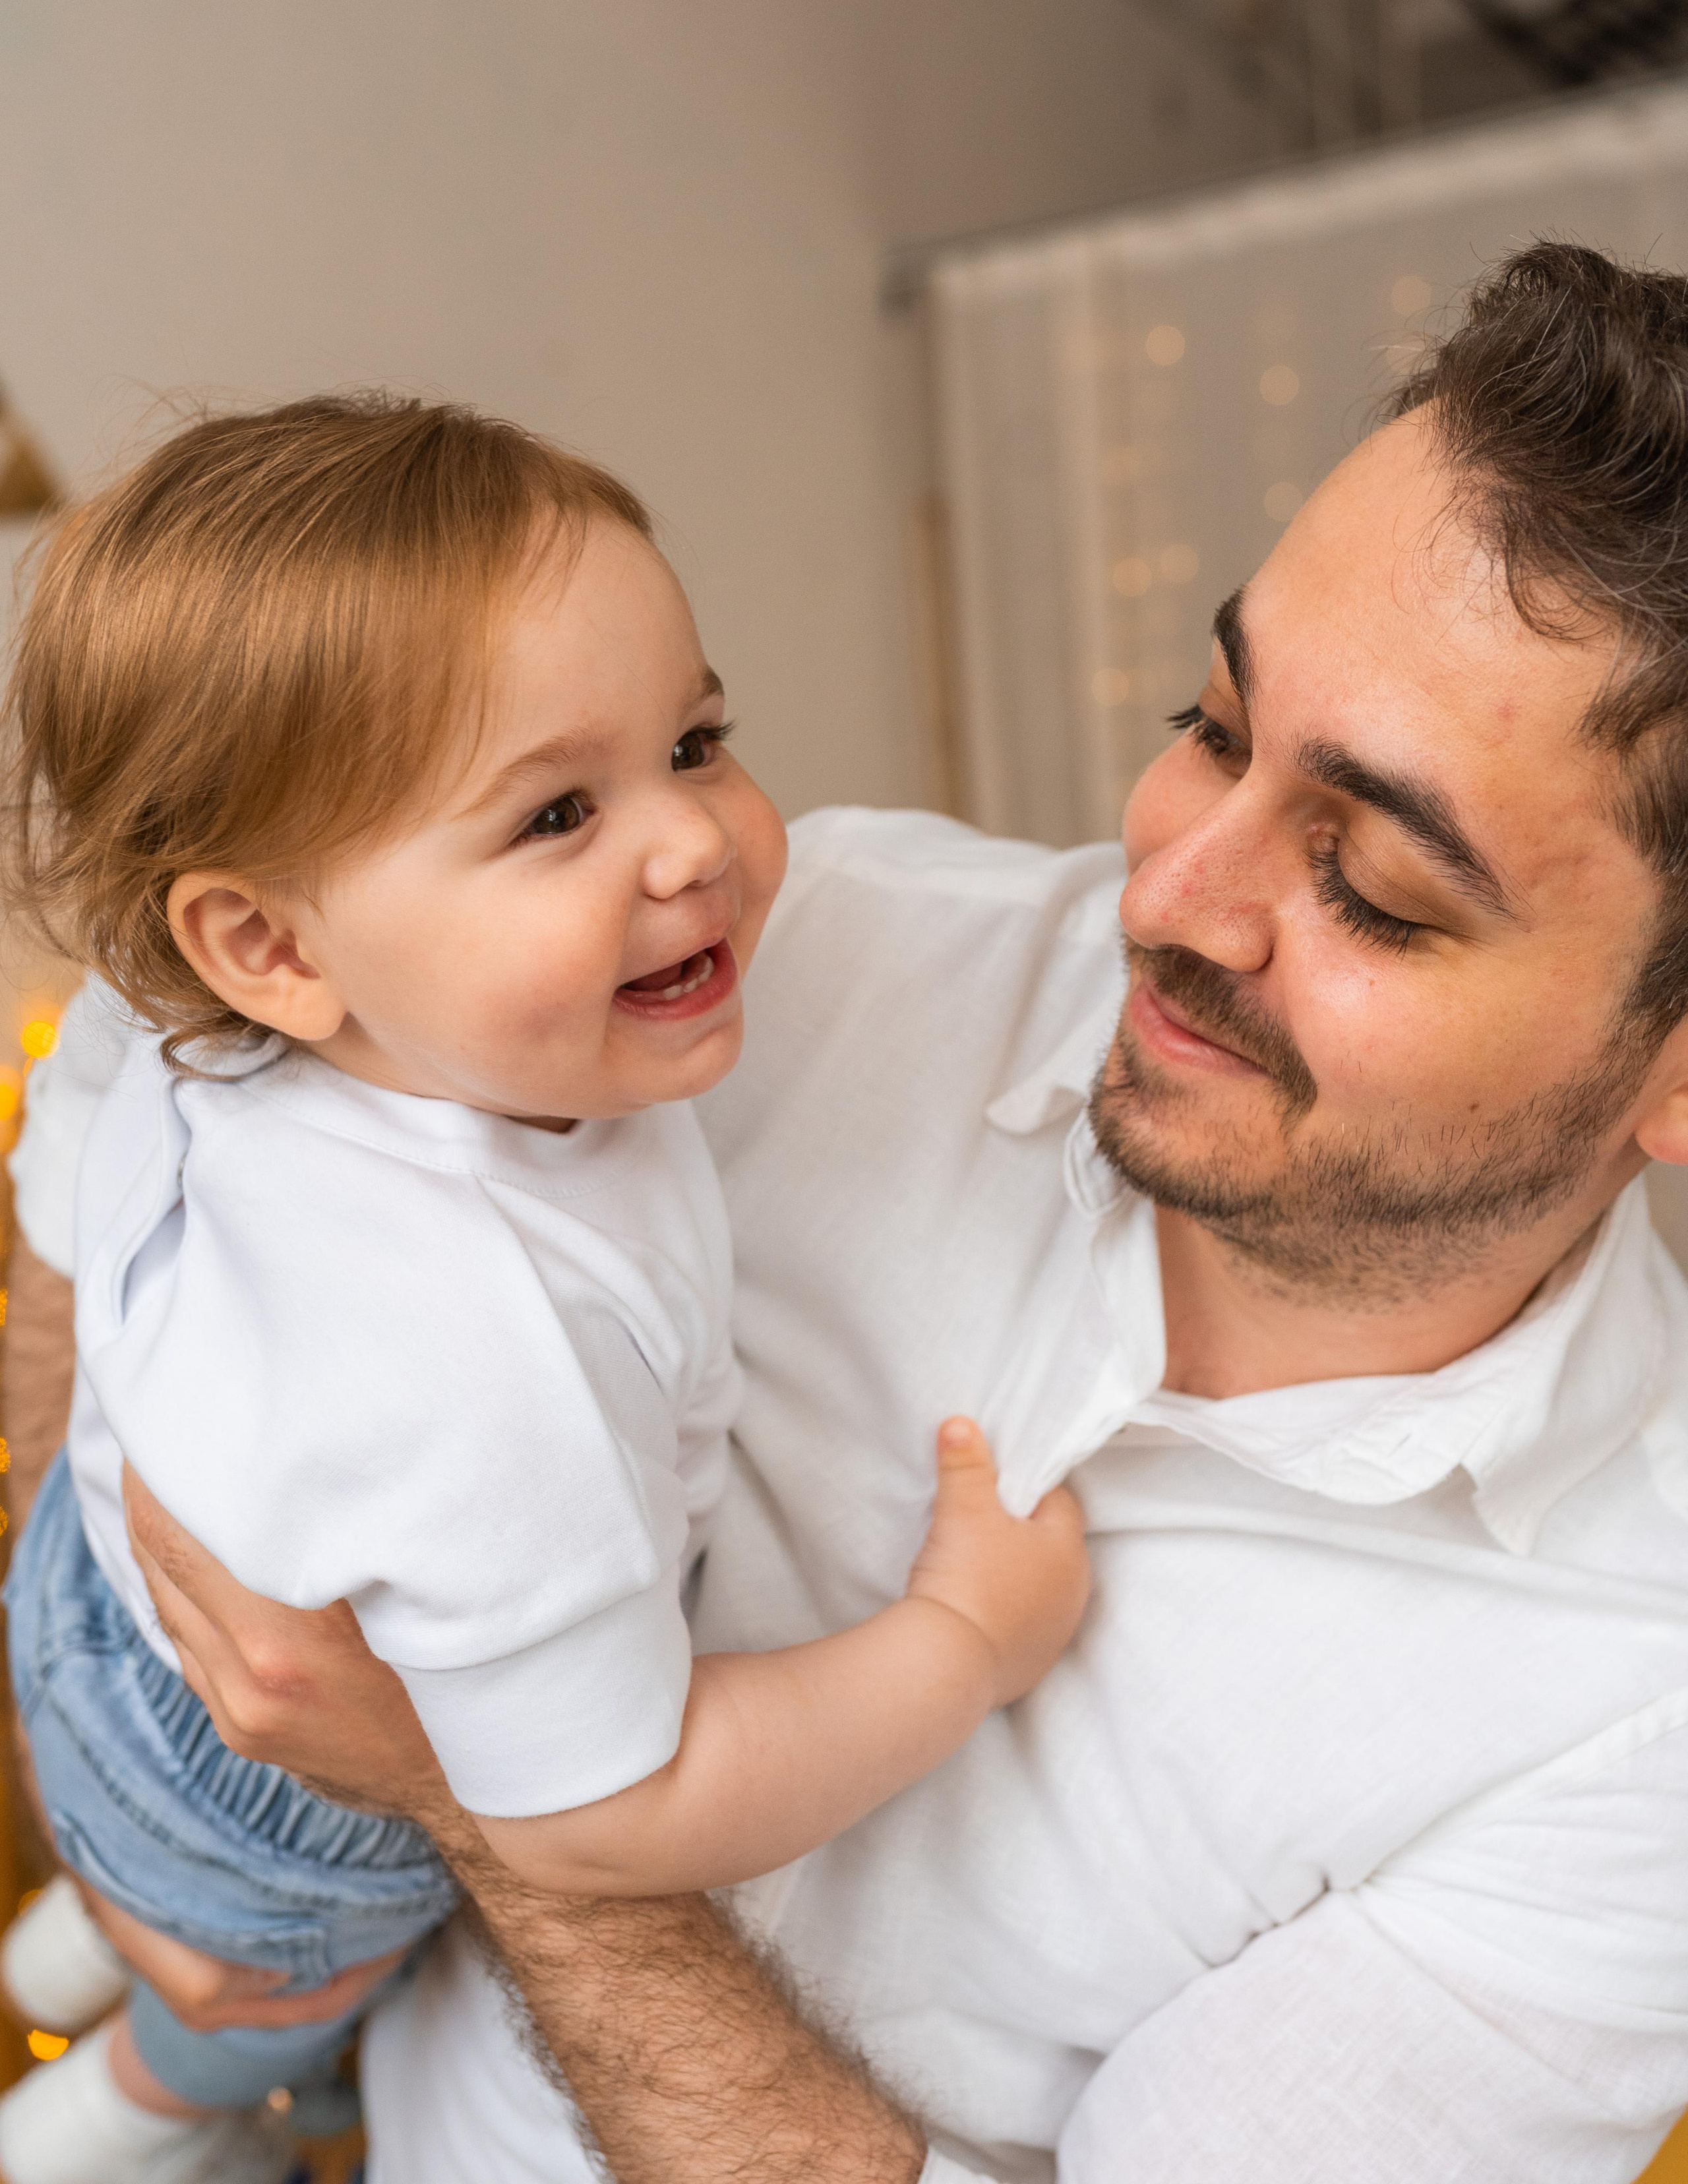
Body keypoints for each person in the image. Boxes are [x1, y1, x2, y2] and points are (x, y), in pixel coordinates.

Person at [10, 237, 1688, 2183]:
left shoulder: (1628, 1728)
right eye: (1210, 726)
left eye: (1377, 888)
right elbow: (161, 1039)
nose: (1166, 899)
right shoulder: (810, 944)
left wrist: (465, 1792)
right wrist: (114, 1685)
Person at [0, 396, 1087, 2184]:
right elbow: (606, 1814)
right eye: (561, 811)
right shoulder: (481, 1358)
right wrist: (962, 1642)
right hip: (262, 1816)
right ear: (268, 947)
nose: (694, 845)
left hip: (89, 1589)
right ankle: (131, 2109)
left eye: (698, 738)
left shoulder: (190, 1015)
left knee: (116, 1868)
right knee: (254, 2002)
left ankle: (72, 1924)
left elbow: (86, 1121)